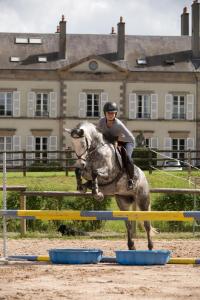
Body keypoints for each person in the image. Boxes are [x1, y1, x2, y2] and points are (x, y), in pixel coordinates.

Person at [97, 102, 136, 190]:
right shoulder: (101, 121)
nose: (110, 115)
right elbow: (98, 134)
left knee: (128, 158)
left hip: (127, 141)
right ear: (105, 113)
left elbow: (129, 138)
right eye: (108, 113)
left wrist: (118, 142)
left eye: (112, 113)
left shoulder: (118, 124)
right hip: (112, 141)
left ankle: (130, 180)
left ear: (115, 114)